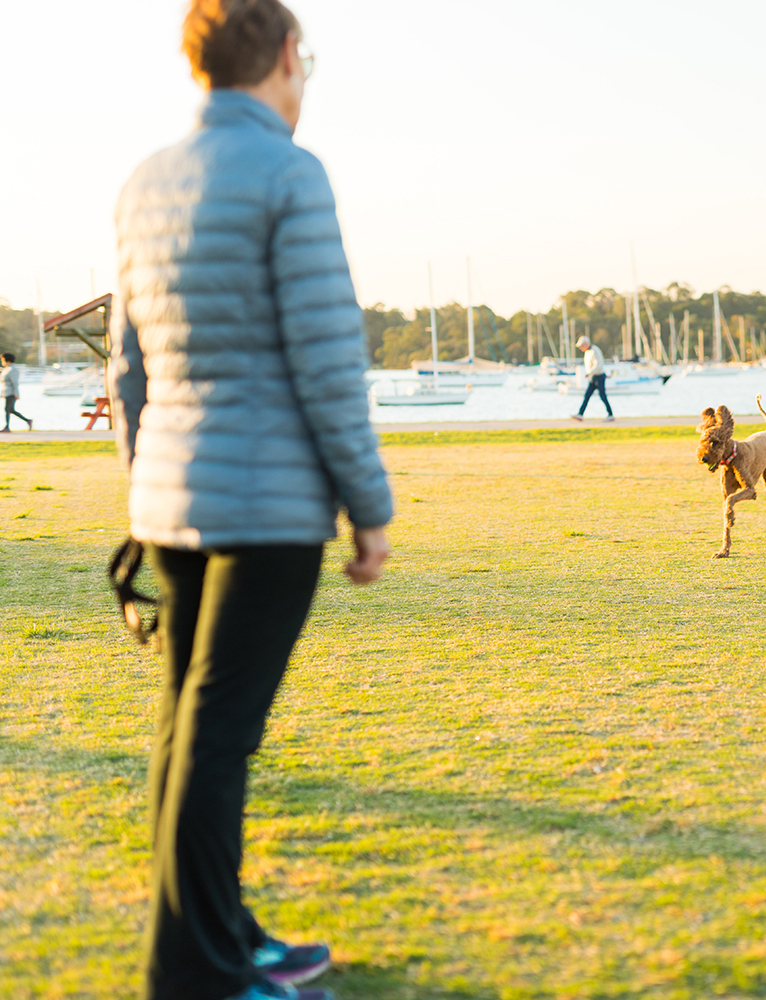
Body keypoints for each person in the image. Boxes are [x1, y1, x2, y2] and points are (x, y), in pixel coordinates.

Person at [108, 2, 393, 998]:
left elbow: (129, 363)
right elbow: (327, 361)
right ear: (283, 58)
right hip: (268, 508)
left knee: (188, 728)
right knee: (220, 732)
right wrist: (371, 505)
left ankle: (221, 932)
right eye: (303, 61)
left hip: (172, 498)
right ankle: (196, 972)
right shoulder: (288, 173)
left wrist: (143, 493)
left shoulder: (146, 181)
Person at [570, 335, 614, 422]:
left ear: (586, 344)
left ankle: (610, 414)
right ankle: (580, 414)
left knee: (602, 396)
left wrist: (589, 373)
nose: (580, 348)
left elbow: (598, 365)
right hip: (593, 377)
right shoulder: (588, 352)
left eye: (581, 346)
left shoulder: (594, 351)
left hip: (598, 376)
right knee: (587, 396)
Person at [2, 353, 32, 432]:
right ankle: (28, 420)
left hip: (11, 393)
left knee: (8, 409)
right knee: (10, 410)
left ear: (6, 360)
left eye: (2, 360)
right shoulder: (7, 369)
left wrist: (16, 393)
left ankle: (7, 427)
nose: (2, 362)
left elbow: (15, 382)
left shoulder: (13, 369)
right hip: (7, 392)